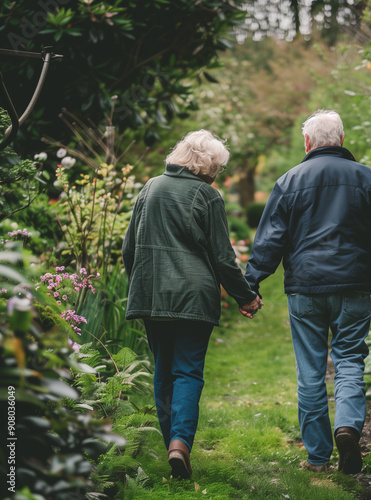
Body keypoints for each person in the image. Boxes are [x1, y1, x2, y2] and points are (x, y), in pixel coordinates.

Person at [244, 110, 371, 474]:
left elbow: (269, 242)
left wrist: (249, 285)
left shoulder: (288, 181)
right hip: (354, 287)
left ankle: (317, 457)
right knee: (348, 361)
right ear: (341, 140)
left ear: (308, 143)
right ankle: (347, 426)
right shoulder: (367, 179)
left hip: (305, 289)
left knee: (310, 371)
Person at [122, 130, 262, 480]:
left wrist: (140, 284)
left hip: (152, 294)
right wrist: (245, 296)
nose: (218, 174)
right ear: (206, 165)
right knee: (187, 371)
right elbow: (223, 258)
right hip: (193, 297)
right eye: (218, 167)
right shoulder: (206, 195)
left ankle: (173, 445)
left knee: (163, 369)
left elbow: (129, 248)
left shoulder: (149, 187)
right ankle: (180, 445)